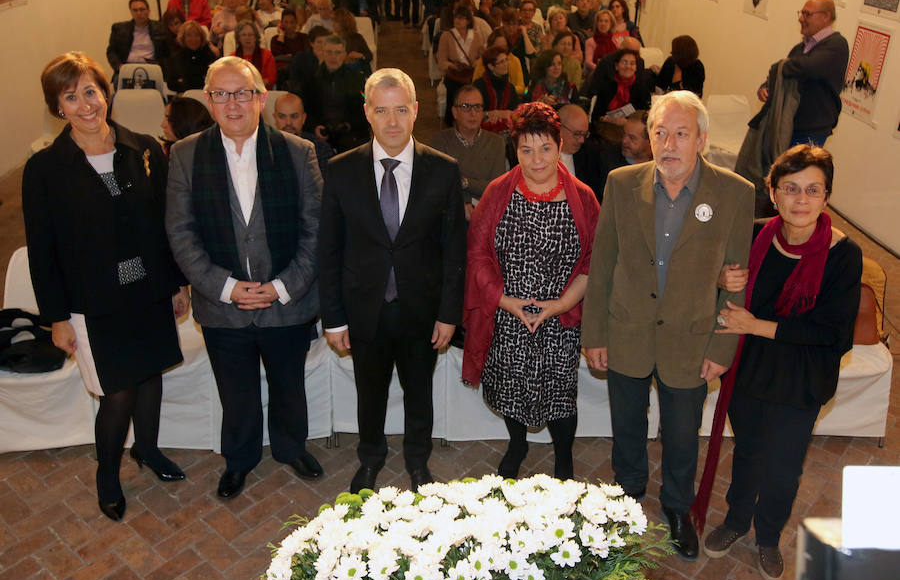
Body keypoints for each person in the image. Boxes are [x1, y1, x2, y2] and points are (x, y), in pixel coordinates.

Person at [582, 91, 755, 561]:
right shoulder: (620, 183)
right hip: (628, 329)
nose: (669, 143)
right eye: (660, 133)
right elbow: (603, 263)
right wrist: (594, 333)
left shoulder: (735, 193)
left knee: (682, 435)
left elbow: (736, 282)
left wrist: (723, 349)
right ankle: (628, 496)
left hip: (692, 338)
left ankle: (679, 510)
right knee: (627, 426)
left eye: (681, 133)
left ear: (701, 139)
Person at [24, 52, 189, 521]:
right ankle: (108, 474)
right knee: (118, 392)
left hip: (150, 289)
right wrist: (56, 317)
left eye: (90, 91)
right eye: (70, 97)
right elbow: (43, 251)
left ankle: (150, 451)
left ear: (106, 92)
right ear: (58, 108)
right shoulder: (45, 170)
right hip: (94, 302)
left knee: (152, 374)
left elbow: (163, 225)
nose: (84, 104)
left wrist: (177, 283)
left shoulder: (144, 149)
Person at [699, 145, 861, 580]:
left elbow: (833, 335)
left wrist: (756, 324)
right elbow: (715, 289)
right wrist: (720, 282)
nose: (801, 200)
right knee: (748, 450)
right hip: (750, 371)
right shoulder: (753, 235)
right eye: (791, 188)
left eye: (813, 189)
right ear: (773, 193)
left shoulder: (844, 255)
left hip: (800, 379)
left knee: (784, 466)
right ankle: (736, 521)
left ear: (827, 196)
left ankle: (768, 536)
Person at [166, 57, 325, 500]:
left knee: (289, 385)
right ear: (209, 100)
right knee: (234, 393)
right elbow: (180, 232)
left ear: (260, 97)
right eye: (221, 94)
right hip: (222, 306)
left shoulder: (297, 152)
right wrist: (226, 287)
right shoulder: (185, 154)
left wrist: (280, 287)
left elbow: (316, 229)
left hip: (286, 302)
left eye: (242, 93)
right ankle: (239, 459)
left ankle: (291, 447)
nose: (232, 103)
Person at [318, 68, 467, 494]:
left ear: (416, 110)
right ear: (367, 112)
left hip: (421, 310)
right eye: (382, 111)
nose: (392, 121)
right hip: (365, 309)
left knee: (420, 392)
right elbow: (328, 251)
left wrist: (448, 313)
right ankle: (370, 459)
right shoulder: (341, 170)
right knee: (370, 393)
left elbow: (454, 250)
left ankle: (418, 461)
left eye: (401, 109)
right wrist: (334, 318)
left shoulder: (442, 170)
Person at [462, 102, 599, 480]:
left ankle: (564, 456)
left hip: (561, 314)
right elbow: (477, 255)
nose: (536, 159)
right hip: (508, 314)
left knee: (560, 393)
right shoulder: (496, 193)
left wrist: (559, 305)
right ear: (515, 150)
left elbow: (593, 260)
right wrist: (507, 302)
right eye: (526, 149)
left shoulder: (584, 197)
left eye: (545, 148)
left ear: (559, 146)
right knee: (510, 386)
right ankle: (518, 443)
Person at [754, 0, 849, 147]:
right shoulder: (800, 48)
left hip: (811, 131)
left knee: (798, 171)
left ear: (826, 16)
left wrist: (780, 66)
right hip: (789, 126)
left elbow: (808, 67)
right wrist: (766, 87)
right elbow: (786, 73)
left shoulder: (837, 45)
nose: (800, 19)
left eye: (807, 14)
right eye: (801, 13)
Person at [429, 85, 506, 219]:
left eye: (477, 107)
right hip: (450, 213)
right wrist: (463, 202)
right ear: (454, 112)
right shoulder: (439, 142)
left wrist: (464, 181)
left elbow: (497, 188)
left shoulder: (496, 143)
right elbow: (440, 186)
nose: (473, 113)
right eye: (465, 107)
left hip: (488, 213)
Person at [305, 35, 369, 153]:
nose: (333, 57)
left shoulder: (357, 79)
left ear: (345, 54)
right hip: (319, 131)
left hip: (350, 132)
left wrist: (349, 125)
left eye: (338, 53)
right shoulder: (310, 79)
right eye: (329, 52)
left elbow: (365, 107)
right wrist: (314, 127)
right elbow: (305, 109)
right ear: (323, 53)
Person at [589, 48, 653, 142]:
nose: (628, 66)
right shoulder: (606, 86)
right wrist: (607, 119)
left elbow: (646, 118)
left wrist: (626, 122)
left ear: (636, 68)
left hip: (633, 132)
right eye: (624, 62)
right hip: (607, 130)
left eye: (632, 63)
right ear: (616, 66)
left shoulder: (642, 88)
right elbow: (596, 116)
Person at [437, 7, 486, 125]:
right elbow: (441, 60)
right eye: (456, 18)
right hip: (454, 75)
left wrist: (476, 63)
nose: (458, 21)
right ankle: (451, 122)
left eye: (462, 18)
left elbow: (483, 56)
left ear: (468, 20)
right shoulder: (447, 36)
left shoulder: (476, 36)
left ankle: (473, 119)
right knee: (453, 92)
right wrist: (453, 66)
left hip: (471, 74)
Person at [272, 93, 336, 180]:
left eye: (294, 116)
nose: (288, 122)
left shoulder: (320, 148)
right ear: (275, 118)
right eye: (282, 116)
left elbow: (328, 188)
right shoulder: (265, 148)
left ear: (303, 118)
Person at [106, 0, 170, 79]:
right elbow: (111, 51)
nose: (139, 13)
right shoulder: (119, 29)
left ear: (148, 11)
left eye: (142, 9)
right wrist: (119, 66)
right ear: (131, 12)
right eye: (135, 10)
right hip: (127, 69)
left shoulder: (160, 28)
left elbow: (167, 52)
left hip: (152, 69)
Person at [557, 104, 606, 204]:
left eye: (585, 134)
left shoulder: (590, 156)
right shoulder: (541, 154)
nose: (582, 140)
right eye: (577, 134)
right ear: (559, 127)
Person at [473, 45, 521, 136]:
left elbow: (517, 112)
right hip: (482, 133)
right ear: (491, 66)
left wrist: (505, 114)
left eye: (507, 60)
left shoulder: (510, 87)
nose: (507, 64)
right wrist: (490, 114)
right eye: (502, 62)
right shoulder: (479, 86)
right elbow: (472, 113)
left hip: (506, 132)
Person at [166, 20, 219, 92]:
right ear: (183, 38)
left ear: (201, 37)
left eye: (197, 35)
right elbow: (171, 84)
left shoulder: (209, 55)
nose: (193, 39)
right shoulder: (176, 58)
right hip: (185, 97)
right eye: (189, 35)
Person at [230, 20, 277, 89]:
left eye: (250, 35)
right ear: (238, 38)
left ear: (255, 37)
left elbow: (271, 79)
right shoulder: (232, 58)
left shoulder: (266, 55)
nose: (247, 38)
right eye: (243, 35)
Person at [332, 8, 374, 74]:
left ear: (344, 23)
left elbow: (369, 56)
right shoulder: (332, 38)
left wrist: (360, 55)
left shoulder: (357, 38)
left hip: (354, 70)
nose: (333, 24)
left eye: (336, 22)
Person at [583, 9, 617, 79]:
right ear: (597, 23)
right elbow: (588, 63)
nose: (603, 24)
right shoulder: (590, 42)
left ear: (611, 24)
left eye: (606, 21)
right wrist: (602, 69)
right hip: (595, 74)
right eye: (600, 21)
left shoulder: (616, 41)